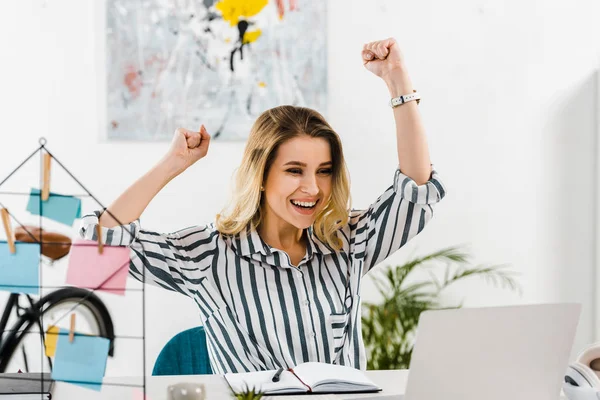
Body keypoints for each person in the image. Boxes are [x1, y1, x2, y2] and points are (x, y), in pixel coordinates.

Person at [79, 37, 446, 374]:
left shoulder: (347, 243)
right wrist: (171, 164)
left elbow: (415, 193)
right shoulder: (208, 255)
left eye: (324, 171)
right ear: (261, 175)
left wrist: (397, 81)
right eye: (294, 171)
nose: (312, 187)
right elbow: (99, 248)